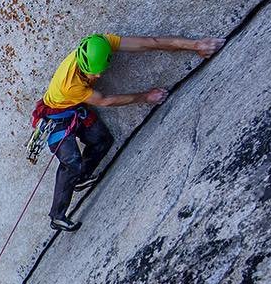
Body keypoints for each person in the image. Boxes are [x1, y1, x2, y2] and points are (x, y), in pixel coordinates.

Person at [35, 33, 225, 232]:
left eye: (98, 71)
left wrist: (196, 45)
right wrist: (146, 97)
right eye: (92, 73)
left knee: (102, 140)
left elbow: (151, 43)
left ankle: (81, 178)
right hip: (56, 118)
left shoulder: (103, 43)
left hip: (73, 109)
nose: (98, 77)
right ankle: (57, 216)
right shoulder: (69, 84)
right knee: (70, 162)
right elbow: (106, 100)